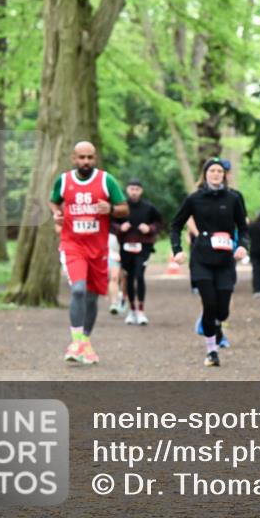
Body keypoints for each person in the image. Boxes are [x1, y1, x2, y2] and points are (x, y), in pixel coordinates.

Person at [50, 141, 129, 365]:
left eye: (90, 157)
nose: (86, 162)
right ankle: (76, 342)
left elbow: (124, 208)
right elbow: (53, 202)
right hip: (72, 244)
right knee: (78, 290)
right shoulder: (64, 181)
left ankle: (84, 342)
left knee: (93, 297)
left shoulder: (106, 180)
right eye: (81, 157)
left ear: (95, 158)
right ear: (73, 159)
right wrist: (57, 214)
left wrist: (111, 209)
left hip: (98, 248)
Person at [170, 157, 249, 367]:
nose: (216, 174)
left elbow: (243, 227)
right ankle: (211, 351)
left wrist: (242, 246)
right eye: (212, 171)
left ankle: (215, 323)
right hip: (201, 258)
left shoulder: (233, 199)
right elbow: (175, 225)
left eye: (219, 171)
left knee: (222, 310)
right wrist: (177, 250)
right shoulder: (194, 199)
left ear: (224, 175)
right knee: (209, 303)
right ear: (205, 174)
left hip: (225, 259)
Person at [112, 178, 163, 325]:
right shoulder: (121, 207)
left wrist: (150, 229)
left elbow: (159, 222)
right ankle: (132, 310)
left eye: (137, 189)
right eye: (131, 189)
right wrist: (120, 229)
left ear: (141, 191)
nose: (134, 192)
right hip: (126, 246)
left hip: (143, 246)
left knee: (140, 276)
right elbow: (110, 223)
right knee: (128, 277)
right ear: (127, 190)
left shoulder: (149, 207)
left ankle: (141, 311)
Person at [107, 232, 126, 315]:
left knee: (125, 278)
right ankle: (114, 303)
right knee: (114, 277)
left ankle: (123, 298)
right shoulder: (110, 221)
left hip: (127, 252)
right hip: (112, 253)